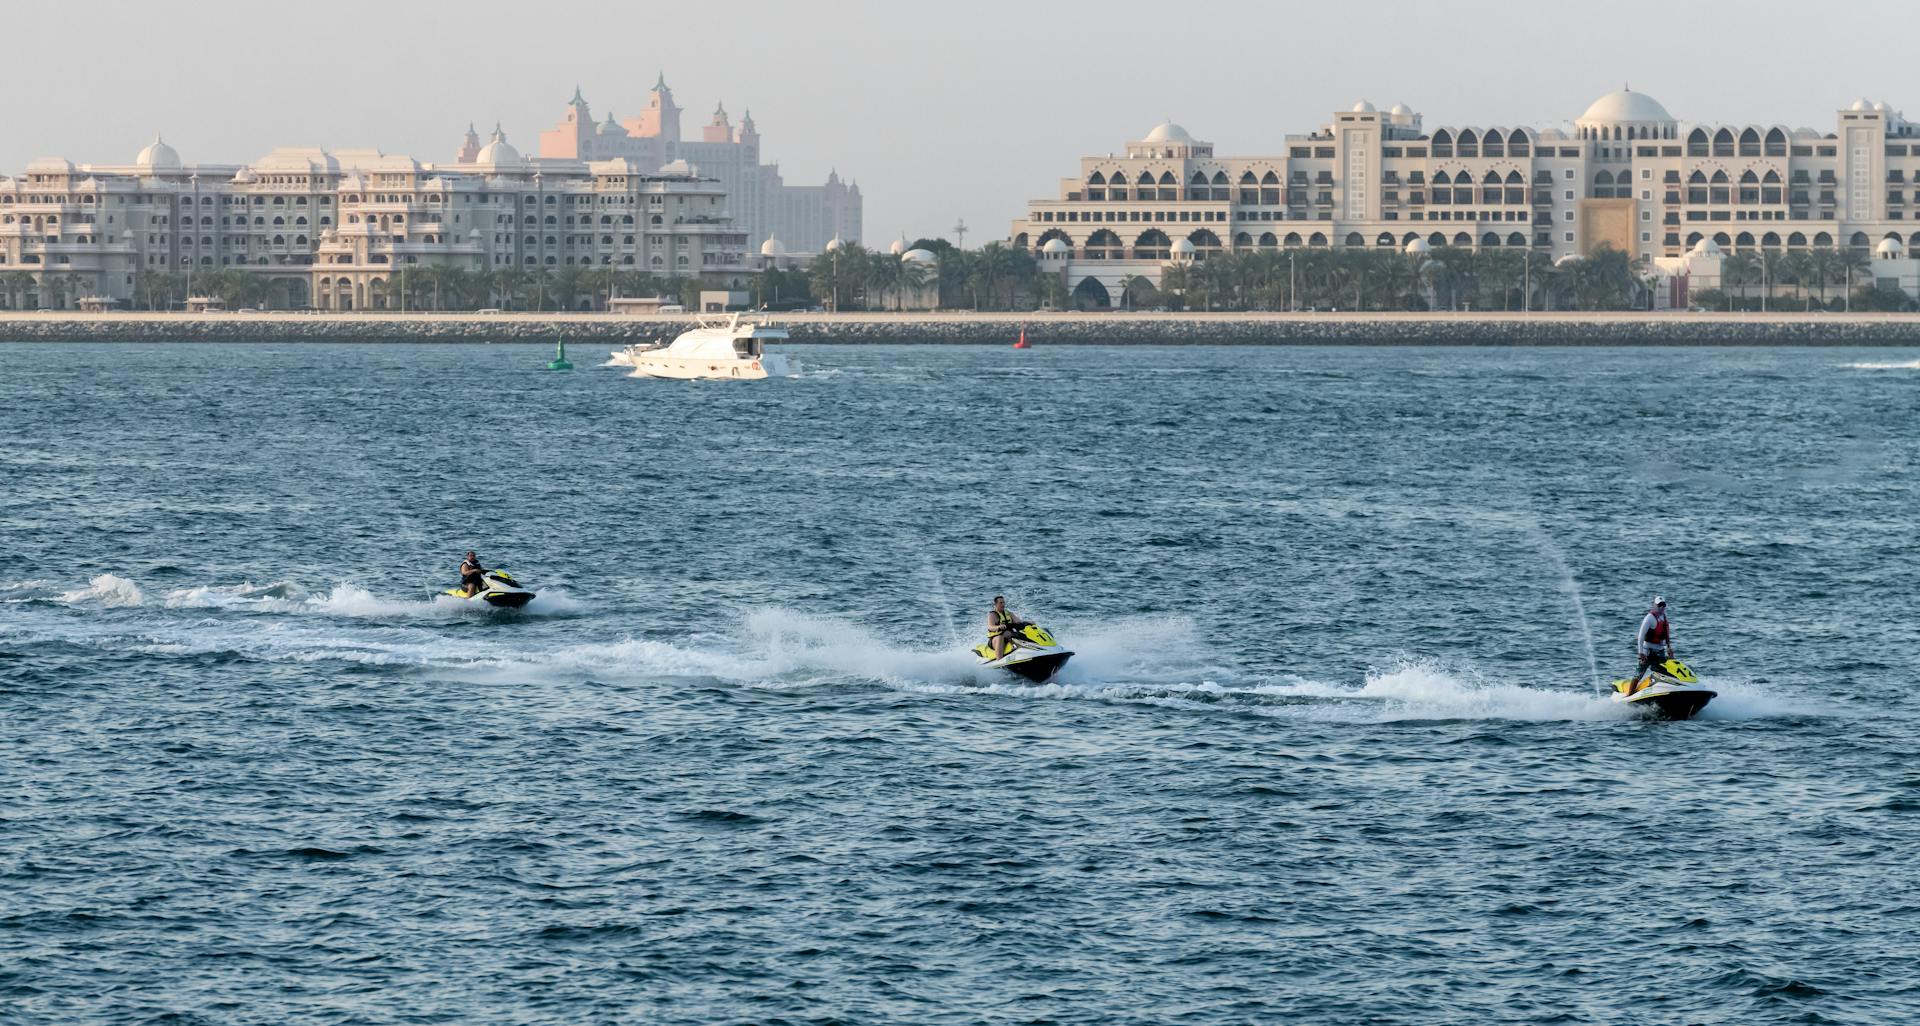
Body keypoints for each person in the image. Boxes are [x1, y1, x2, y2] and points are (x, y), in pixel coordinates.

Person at [1625, 596, 1674, 691]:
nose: (1662, 607)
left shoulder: (1664, 617)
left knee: (1667, 672)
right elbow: (1641, 636)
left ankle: (1664, 690)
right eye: (1659, 605)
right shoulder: (1649, 618)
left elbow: (1666, 635)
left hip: (1660, 651)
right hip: (1647, 652)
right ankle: (1629, 696)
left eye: (1663, 605)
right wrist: (1640, 653)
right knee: (1638, 674)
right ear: (1655, 605)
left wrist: (1669, 648)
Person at [987, 595, 1032, 660]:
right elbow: (990, 627)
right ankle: (999, 661)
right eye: (1001, 603)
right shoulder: (992, 615)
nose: (1003, 604)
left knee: (1020, 634)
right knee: (1000, 637)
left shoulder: (1009, 613)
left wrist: (1029, 622)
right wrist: (998, 627)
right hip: (995, 640)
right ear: (996, 604)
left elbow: (1019, 621)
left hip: (1008, 637)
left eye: (1004, 602)